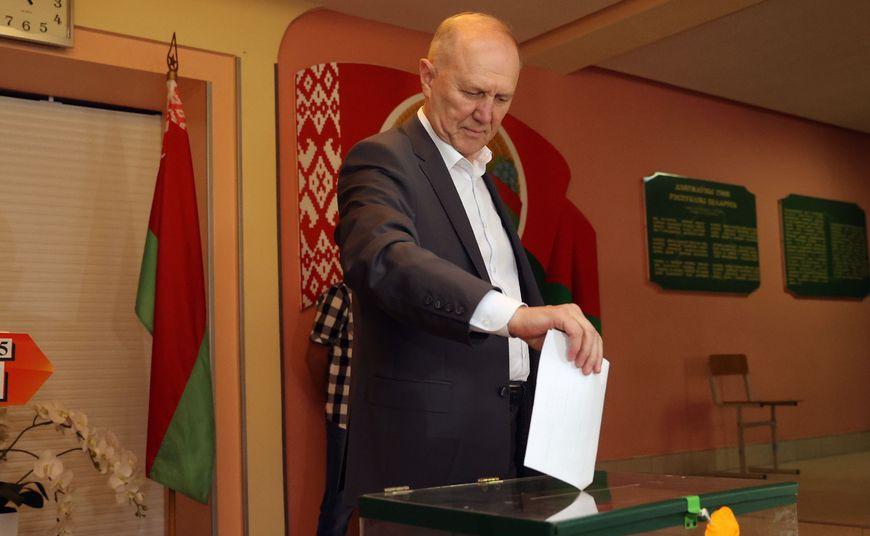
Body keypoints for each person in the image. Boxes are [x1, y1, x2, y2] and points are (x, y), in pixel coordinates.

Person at [335, 12, 603, 503]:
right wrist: (514, 316)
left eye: (502, 99)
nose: (487, 115)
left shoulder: (485, 180)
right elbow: (385, 259)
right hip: (428, 449)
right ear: (427, 77)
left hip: (520, 438)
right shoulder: (382, 159)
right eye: (473, 92)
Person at [309, 282, 355, 536]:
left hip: (381, 419)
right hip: (345, 416)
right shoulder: (341, 295)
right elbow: (315, 355)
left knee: (387, 498)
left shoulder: (389, 293)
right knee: (338, 504)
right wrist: (329, 399)